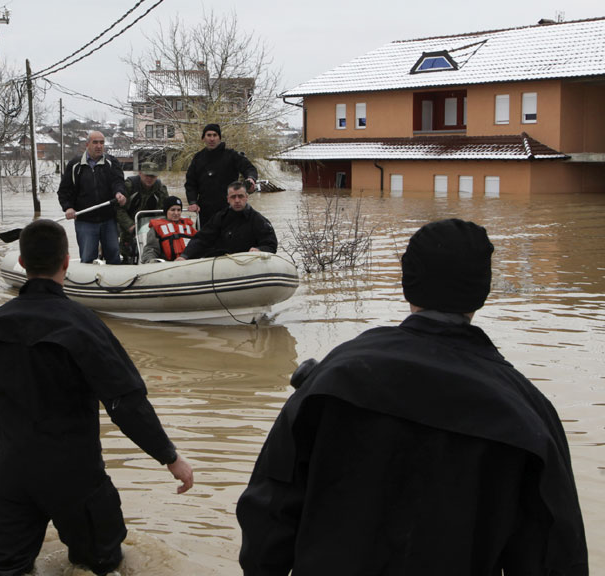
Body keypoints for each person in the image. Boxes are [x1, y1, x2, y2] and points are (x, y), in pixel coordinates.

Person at [236, 219, 588, 576]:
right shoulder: (528, 416)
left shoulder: (333, 378)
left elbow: (268, 514)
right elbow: (556, 556)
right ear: (482, 293)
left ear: (407, 283)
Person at [0, 219, 195, 576]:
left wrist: (8, 444)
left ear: (21, 262)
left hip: (11, 472)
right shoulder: (82, 325)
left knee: (0, 569)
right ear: (67, 262)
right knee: (101, 566)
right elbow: (124, 401)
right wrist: (170, 457)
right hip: (75, 474)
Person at [58, 131, 127, 264]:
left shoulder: (111, 162)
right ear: (87, 144)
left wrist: (119, 192)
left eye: (101, 143)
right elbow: (64, 191)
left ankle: (114, 282)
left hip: (108, 219)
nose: (99, 146)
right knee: (88, 256)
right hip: (85, 220)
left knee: (113, 254)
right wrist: (68, 207)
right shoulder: (75, 165)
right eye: (95, 142)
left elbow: (118, 182)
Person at [176, 181, 276, 261]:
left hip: (247, 264)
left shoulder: (258, 220)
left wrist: (259, 250)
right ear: (228, 199)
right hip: (221, 264)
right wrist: (185, 255)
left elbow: (271, 244)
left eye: (240, 196)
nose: (237, 200)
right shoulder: (220, 218)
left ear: (246, 197)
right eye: (233, 197)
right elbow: (202, 239)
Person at [184, 123, 258, 224]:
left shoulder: (231, 155)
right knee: (204, 239)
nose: (212, 139)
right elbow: (190, 183)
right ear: (203, 138)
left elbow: (249, 168)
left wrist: (251, 179)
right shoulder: (198, 158)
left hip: (229, 209)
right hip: (205, 211)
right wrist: (192, 202)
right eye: (209, 135)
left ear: (219, 138)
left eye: (215, 135)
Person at [116, 163, 169, 264]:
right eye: (147, 176)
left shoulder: (161, 189)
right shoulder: (129, 185)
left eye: (152, 176)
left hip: (150, 224)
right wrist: (130, 225)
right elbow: (119, 209)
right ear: (140, 173)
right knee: (127, 246)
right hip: (129, 222)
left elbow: (165, 210)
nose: (149, 179)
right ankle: (126, 259)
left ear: (156, 176)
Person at [140, 196, 197, 263]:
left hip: (188, 261)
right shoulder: (157, 227)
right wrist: (150, 261)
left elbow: (198, 244)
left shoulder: (189, 226)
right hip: (167, 264)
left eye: (179, 210)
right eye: (172, 210)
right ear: (166, 211)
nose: (176, 213)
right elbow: (151, 249)